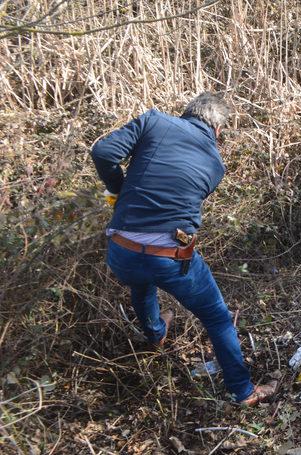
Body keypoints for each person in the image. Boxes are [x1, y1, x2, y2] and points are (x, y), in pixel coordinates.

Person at [91, 92, 276, 406]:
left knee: (141, 279)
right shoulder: (216, 165)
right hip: (170, 259)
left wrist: (117, 189)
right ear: (218, 130)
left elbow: (104, 152)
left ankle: (156, 334)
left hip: (121, 252)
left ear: (186, 112)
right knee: (217, 319)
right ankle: (243, 392)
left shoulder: (154, 121)